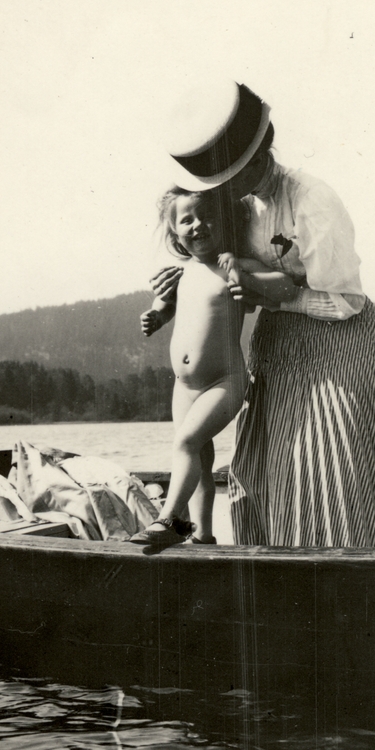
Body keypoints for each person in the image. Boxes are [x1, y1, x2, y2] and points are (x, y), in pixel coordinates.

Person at [152, 81, 375, 549]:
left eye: (225, 179)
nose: (219, 192)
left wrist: (279, 295)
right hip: (280, 351)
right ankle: (281, 571)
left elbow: (346, 302)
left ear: (257, 160)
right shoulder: (243, 207)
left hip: (341, 350)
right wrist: (181, 279)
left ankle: (361, 570)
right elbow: (215, 257)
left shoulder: (312, 200)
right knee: (276, 470)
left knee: (336, 470)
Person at [128, 188, 248, 553]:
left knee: (186, 443)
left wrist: (243, 274)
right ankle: (204, 537)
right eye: (186, 220)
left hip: (224, 381)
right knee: (199, 459)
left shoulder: (230, 265)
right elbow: (162, 308)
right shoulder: (180, 274)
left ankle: (170, 520)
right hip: (185, 387)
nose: (197, 226)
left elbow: (256, 289)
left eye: (205, 216)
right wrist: (153, 317)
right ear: (174, 233)